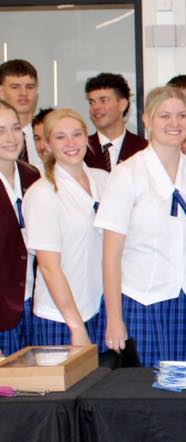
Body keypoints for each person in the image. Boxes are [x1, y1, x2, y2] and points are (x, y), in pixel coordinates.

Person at [95, 86, 186, 367]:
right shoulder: (127, 174)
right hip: (142, 299)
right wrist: (115, 318)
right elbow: (111, 254)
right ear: (147, 120)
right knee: (146, 385)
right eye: (164, 116)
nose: (174, 123)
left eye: (181, 115)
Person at [24, 109, 109, 349]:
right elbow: (49, 267)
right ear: (47, 144)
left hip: (100, 308)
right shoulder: (42, 193)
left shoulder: (104, 180)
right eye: (60, 137)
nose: (71, 143)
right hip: (61, 318)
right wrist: (76, 325)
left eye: (77, 134)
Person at [0, 99, 40, 356]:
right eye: (0, 131)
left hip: (35, 304)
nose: (11, 138)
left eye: (16, 128)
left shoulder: (32, 175)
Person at [84, 73, 148, 172]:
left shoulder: (144, 149)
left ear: (122, 104)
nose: (95, 107)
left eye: (104, 101)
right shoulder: (81, 148)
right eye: (92, 102)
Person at [0, 60, 41, 170]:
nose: (24, 93)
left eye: (30, 87)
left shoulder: (49, 134)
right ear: (0, 91)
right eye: (15, 87)